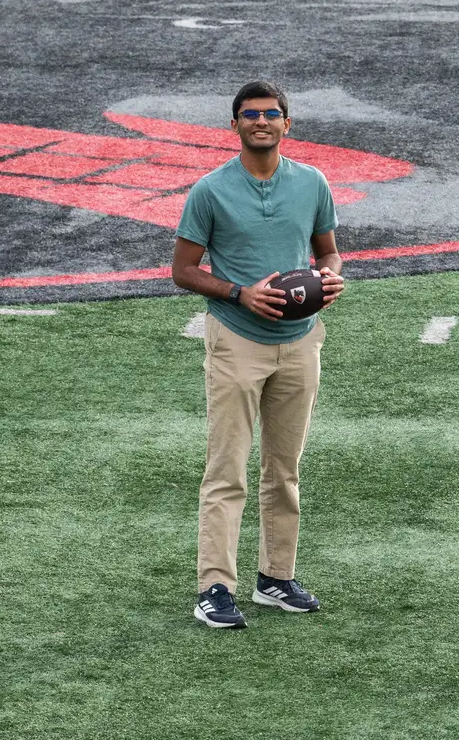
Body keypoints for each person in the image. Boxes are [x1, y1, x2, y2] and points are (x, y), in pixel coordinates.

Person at [172, 81, 346, 629]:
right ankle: (215, 588)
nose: (262, 122)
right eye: (251, 115)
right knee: (227, 471)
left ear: (287, 124)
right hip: (236, 341)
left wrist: (331, 280)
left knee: (283, 469)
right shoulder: (210, 190)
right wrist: (239, 293)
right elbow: (183, 269)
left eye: (272, 114)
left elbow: (330, 253)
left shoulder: (312, 183)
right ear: (235, 126)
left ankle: (275, 578)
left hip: (299, 342)